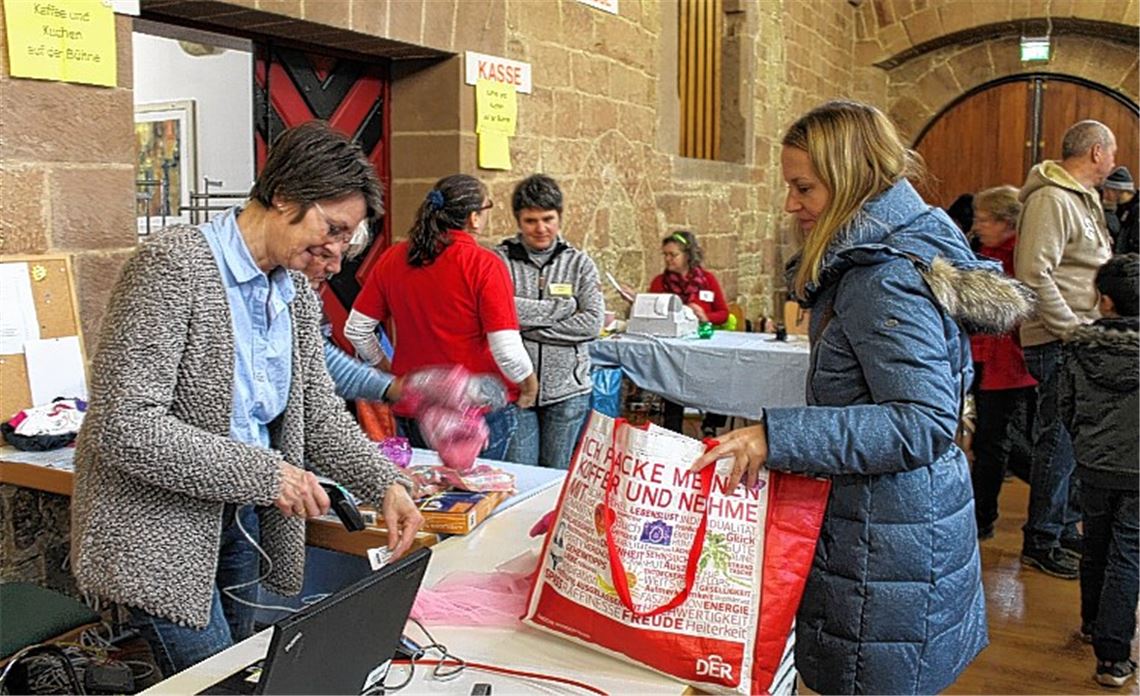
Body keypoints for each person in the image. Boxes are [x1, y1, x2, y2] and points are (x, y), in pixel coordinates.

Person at [694, 100, 1033, 694]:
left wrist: (775, 437)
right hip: (891, 529)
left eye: (805, 188)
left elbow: (920, 422)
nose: (792, 204)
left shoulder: (884, 277)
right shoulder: (886, 255)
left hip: (885, 540)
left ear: (850, 179)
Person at [71, 121, 423, 676]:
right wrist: (269, 474)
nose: (335, 253)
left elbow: (320, 415)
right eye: (331, 229)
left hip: (243, 518)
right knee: (219, 679)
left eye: (345, 239)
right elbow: (124, 426)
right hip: (159, 533)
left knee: (257, 671)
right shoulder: (172, 266)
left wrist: (384, 482)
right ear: (284, 195)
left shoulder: (292, 291)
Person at [346, 174, 537, 461]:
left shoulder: (393, 258)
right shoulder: (484, 265)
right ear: (474, 217)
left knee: (426, 496)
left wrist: (387, 367)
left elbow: (357, 330)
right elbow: (506, 349)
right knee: (484, 494)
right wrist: (529, 385)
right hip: (476, 409)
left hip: (414, 404)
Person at [1015, 119, 1116, 578]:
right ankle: (1041, 539)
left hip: (1080, 335)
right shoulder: (1051, 198)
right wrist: (1072, 329)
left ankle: (1061, 527)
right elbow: (1034, 273)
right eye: (1110, 154)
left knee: (1074, 439)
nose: (1113, 164)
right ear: (1097, 152)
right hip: (1059, 338)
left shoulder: (1081, 197)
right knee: (1056, 440)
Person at [1058, 253, 1139, 688]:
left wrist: (1086, 444)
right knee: (1128, 554)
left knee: (1097, 546)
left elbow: (1065, 406)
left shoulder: (1080, 345)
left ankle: (1092, 624)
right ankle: (1112, 657)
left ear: (1105, 301)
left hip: (1092, 462)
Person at [496, 174, 605, 469]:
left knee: (555, 478)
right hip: (515, 389)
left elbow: (592, 323)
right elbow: (496, 313)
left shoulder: (580, 264)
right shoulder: (499, 261)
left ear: (559, 218)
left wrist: (526, 326)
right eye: (531, 220)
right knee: (523, 476)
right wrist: (562, 308)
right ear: (518, 220)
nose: (541, 228)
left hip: (568, 392)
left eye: (548, 218)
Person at [969, 186, 1037, 540]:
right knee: (992, 442)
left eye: (984, 220)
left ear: (1006, 222)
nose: (977, 226)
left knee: (995, 444)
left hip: (1006, 362)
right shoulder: (985, 251)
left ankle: (982, 518)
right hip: (982, 355)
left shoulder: (1018, 257)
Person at [649, 230, 730, 436]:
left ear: (687, 255)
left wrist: (705, 316)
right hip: (674, 349)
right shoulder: (660, 283)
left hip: (703, 345)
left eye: (672, 255)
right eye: (665, 255)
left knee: (717, 374)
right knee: (671, 380)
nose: (668, 259)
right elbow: (651, 315)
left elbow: (723, 314)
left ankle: (711, 424)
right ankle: (672, 430)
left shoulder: (707, 280)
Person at [1104, 166, 1137, 254]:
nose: (1105, 195)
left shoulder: (1136, 211)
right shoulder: (1120, 208)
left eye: (1108, 190)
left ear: (1118, 191)